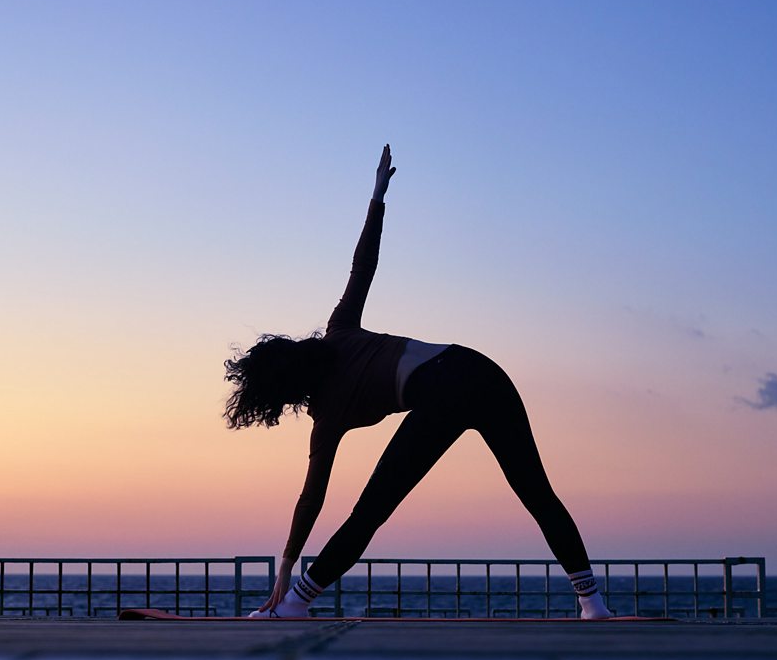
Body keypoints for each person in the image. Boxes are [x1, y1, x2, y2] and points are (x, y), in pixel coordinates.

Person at [223, 145, 612, 620]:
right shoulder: (339, 330)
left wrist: (286, 565)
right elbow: (362, 266)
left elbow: (312, 498)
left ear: (279, 395)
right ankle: (592, 603)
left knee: (370, 512)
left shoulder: (327, 415)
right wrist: (377, 196)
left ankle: (295, 604)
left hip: (443, 391)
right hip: (481, 370)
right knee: (537, 494)